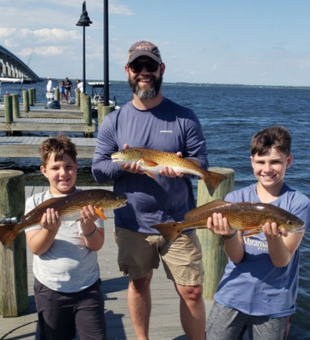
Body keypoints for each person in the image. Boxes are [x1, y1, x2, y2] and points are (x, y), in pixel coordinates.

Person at [92, 40, 207, 340]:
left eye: (150, 66)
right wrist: (122, 165)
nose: (144, 72)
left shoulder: (185, 117)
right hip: (132, 223)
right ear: (127, 71)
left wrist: (184, 164)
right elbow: (98, 169)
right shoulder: (113, 121)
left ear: (161, 69)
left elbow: (201, 162)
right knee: (138, 283)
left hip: (179, 221)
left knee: (192, 291)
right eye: (137, 66)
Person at [205, 125, 310, 340]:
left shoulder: (299, 204)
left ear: (288, 161)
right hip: (231, 294)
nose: (267, 168)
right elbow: (236, 257)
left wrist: (272, 237)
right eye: (261, 162)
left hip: (274, 303)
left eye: (275, 162)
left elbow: (281, 261)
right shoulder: (235, 199)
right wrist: (229, 235)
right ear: (252, 161)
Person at [25, 134, 106, 340]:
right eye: (55, 168)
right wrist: (49, 230)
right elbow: (36, 248)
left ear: (77, 167)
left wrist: (88, 225)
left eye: (69, 167)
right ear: (44, 171)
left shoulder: (91, 200)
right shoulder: (35, 202)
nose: (63, 173)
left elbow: (96, 245)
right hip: (50, 287)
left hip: (88, 286)